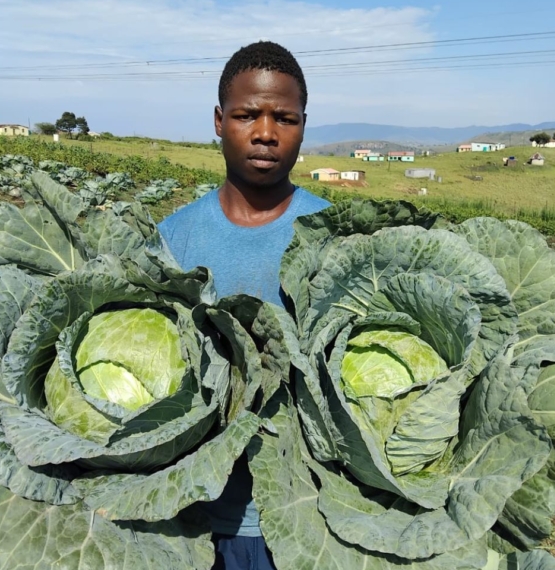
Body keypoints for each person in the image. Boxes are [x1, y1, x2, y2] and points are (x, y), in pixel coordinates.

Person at [157, 41, 330, 570]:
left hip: (308, 516)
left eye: (285, 118)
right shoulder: (173, 240)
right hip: (189, 517)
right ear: (218, 121)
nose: (265, 133)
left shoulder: (333, 238)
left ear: (303, 126)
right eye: (246, 115)